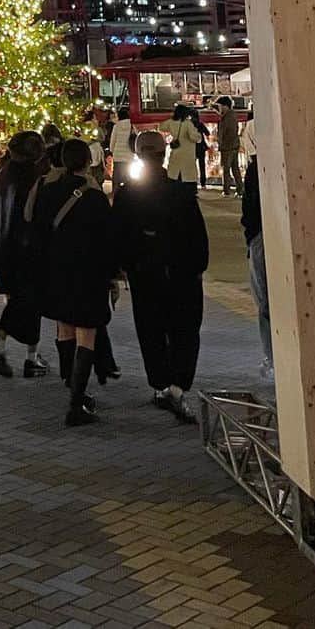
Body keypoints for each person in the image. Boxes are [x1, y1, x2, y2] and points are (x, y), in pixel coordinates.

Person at [113, 130, 209, 423]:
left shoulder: (127, 194)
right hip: (183, 276)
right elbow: (198, 238)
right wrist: (197, 269)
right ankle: (178, 387)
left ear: (138, 155)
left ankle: (161, 385)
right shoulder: (181, 193)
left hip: (145, 276)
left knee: (151, 330)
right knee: (185, 331)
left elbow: (118, 238)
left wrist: (124, 268)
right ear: (164, 154)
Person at [35, 138, 118, 427]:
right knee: (86, 334)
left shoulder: (48, 193)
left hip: (55, 272)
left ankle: (72, 387)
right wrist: (112, 277)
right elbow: (108, 241)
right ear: (86, 162)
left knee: (65, 329)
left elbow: (38, 233)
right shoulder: (95, 198)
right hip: (88, 273)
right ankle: (76, 402)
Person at [0, 131, 49, 379]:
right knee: (31, 303)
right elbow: (36, 218)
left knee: (16, 302)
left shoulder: (0, 178)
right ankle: (29, 357)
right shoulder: (34, 180)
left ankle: (2, 350)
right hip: (27, 250)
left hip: (2, 249)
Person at [240, 116, 272, 379]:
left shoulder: (255, 168)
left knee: (265, 303)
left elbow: (248, 210)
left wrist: (250, 237)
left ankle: (271, 357)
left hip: (260, 236)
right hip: (266, 234)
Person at [166, 104, 202, 185]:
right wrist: (199, 135)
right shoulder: (188, 124)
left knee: (175, 175)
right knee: (186, 178)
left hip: (175, 152)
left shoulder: (171, 122)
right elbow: (194, 137)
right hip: (187, 154)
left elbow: (161, 127)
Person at [215, 97, 243, 197]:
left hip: (227, 146)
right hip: (234, 145)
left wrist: (220, 143)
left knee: (226, 169)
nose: (219, 108)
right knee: (235, 168)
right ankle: (240, 190)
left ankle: (226, 190)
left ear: (225, 106)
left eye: (220, 106)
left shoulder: (227, 117)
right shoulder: (232, 115)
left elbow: (224, 132)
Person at [108, 107, 135, 190]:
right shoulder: (132, 125)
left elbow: (113, 140)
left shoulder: (116, 126)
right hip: (129, 155)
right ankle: (129, 193)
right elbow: (135, 138)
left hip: (118, 155)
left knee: (117, 177)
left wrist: (112, 150)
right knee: (128, 177)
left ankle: (116, 194)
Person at [191, 107, 210, 188]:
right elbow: (207, 133)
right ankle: (203, 183)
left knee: (192, 166)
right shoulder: (200, 124)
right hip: (201, 147)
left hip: (192, 147)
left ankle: (193, 182)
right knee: (202, 166)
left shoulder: (189, 124)